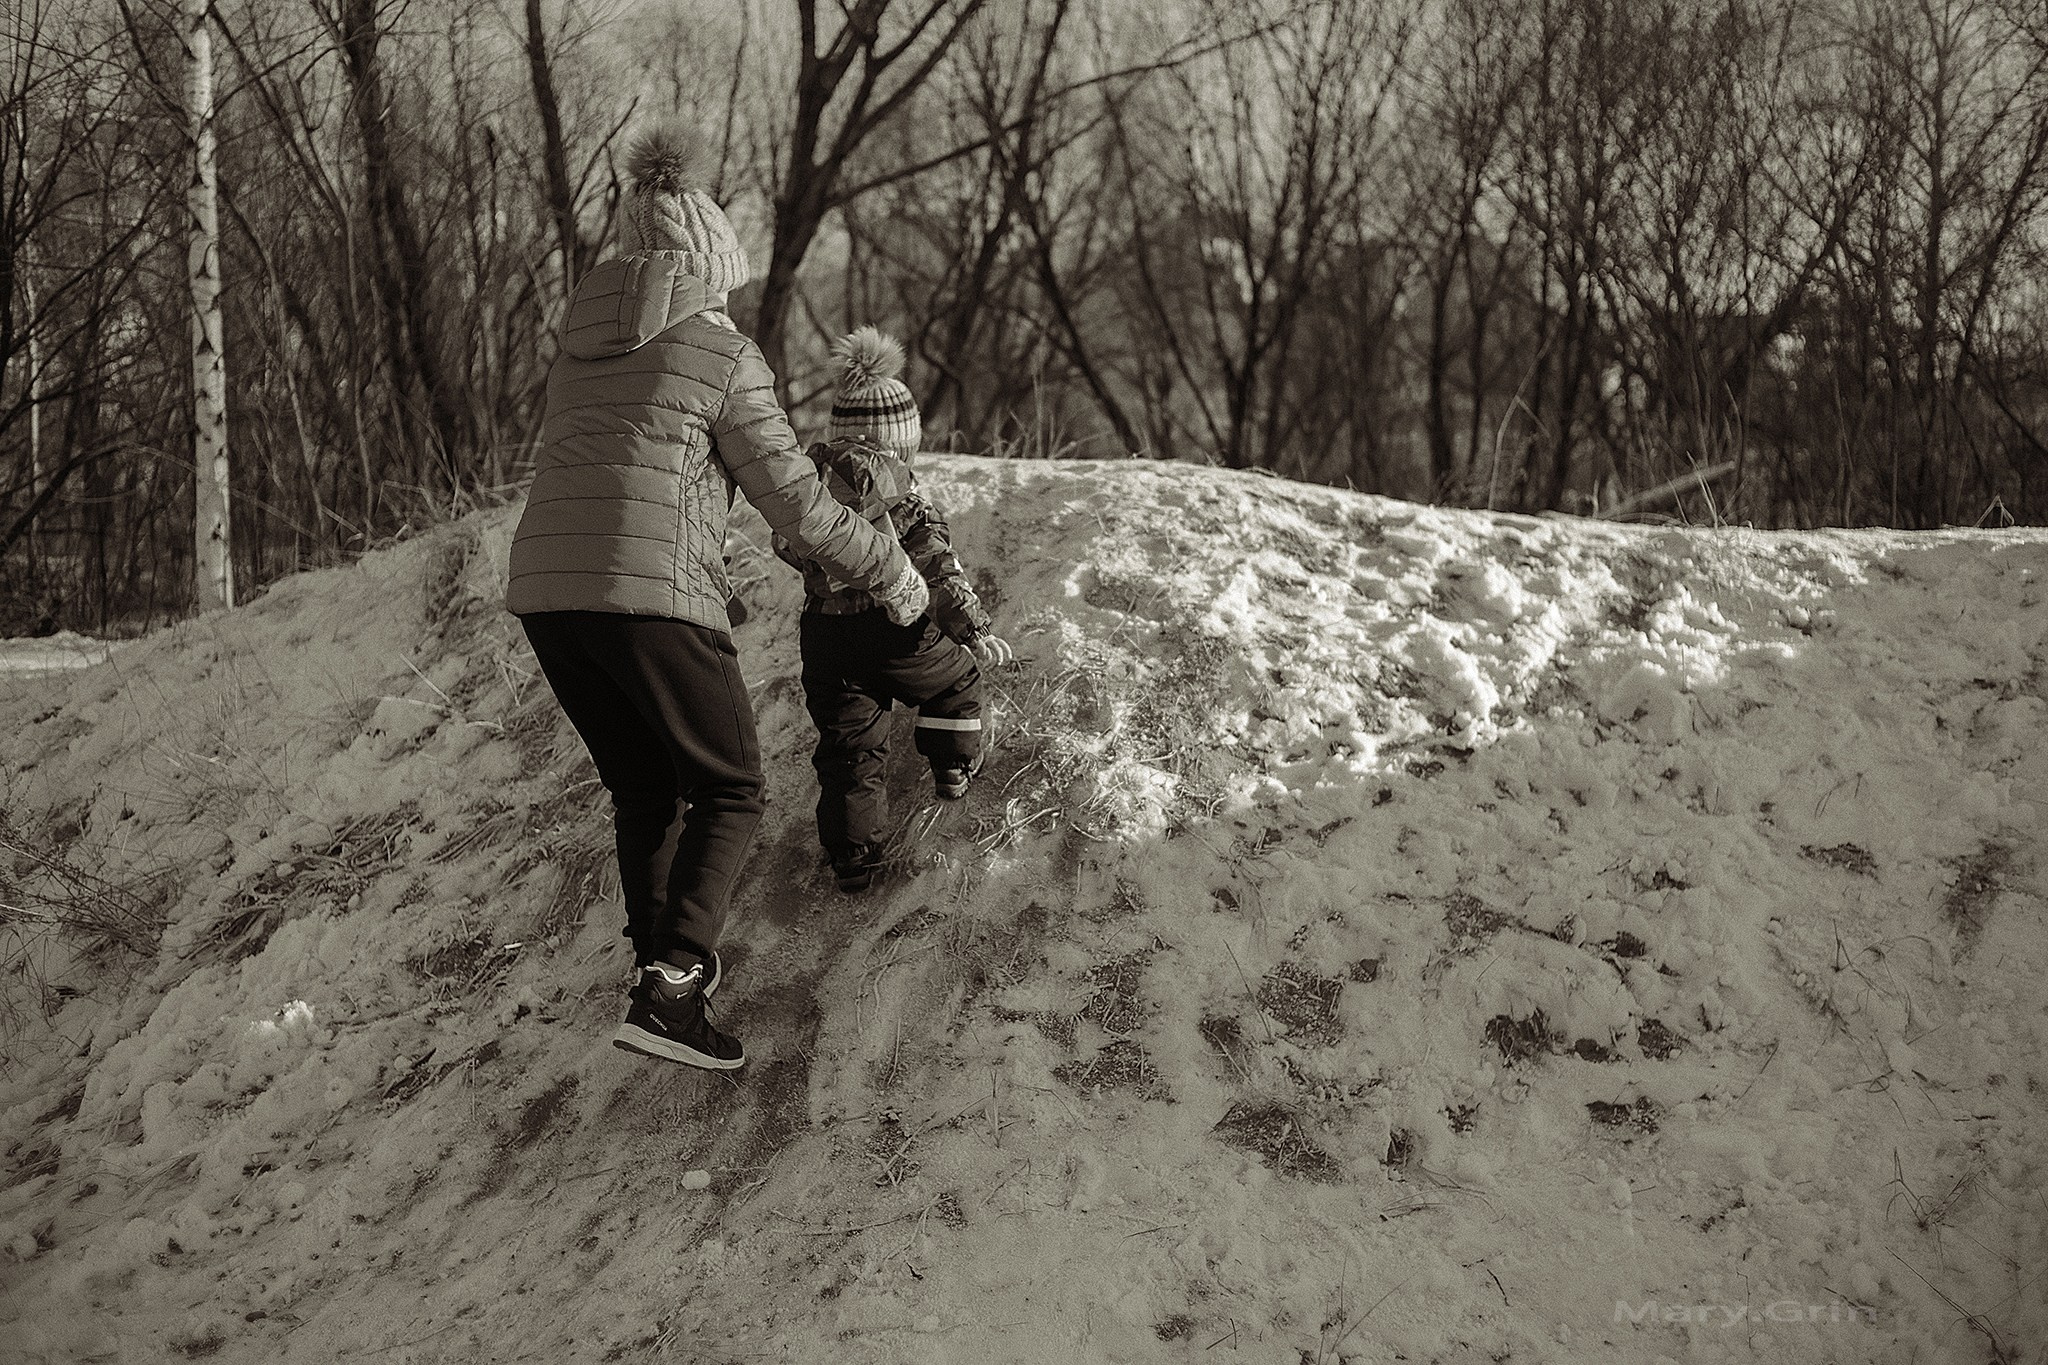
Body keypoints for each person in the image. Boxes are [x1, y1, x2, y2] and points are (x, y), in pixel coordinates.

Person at [505, 127, 930, 1071]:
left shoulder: (576, 350)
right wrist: (891, 570)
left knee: (645, 784)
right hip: (647, 600)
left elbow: (630, 476)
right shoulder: (720, 351)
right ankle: (676, 985)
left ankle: (658, 980)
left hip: (546, 596)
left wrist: (713, 557)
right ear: (710, 268)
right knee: (731, 784)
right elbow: (799, 503)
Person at [775, 327, 1012, 893]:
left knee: (851, 748)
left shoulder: (809, 492)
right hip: (892, 629)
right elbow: (936, 565)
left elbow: (787, 546)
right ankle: (951, 764)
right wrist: (971, 628)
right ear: (902, 443)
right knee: (956, 681)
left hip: (824, 637)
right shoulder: (903, 494)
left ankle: (852, 858)